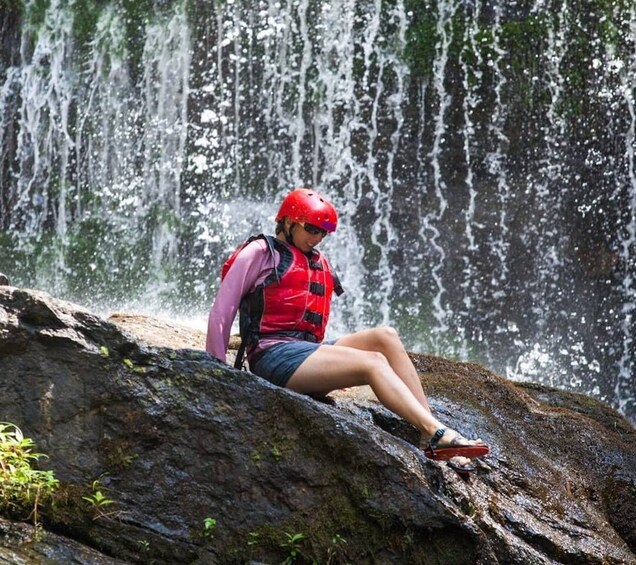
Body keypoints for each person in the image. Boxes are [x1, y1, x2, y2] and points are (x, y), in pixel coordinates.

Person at [206, 188, 489, 474]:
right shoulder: (260, 252)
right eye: (312, 229)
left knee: (385, 337)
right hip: (273, 356)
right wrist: (215, 373)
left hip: (305, 352)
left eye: (323, 233)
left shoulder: (316, 259)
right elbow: (222, 311)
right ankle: (439, 432)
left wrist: (331, 365)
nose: (316, 238)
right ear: (289, 222)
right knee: (372, 363)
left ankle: (430, 434)